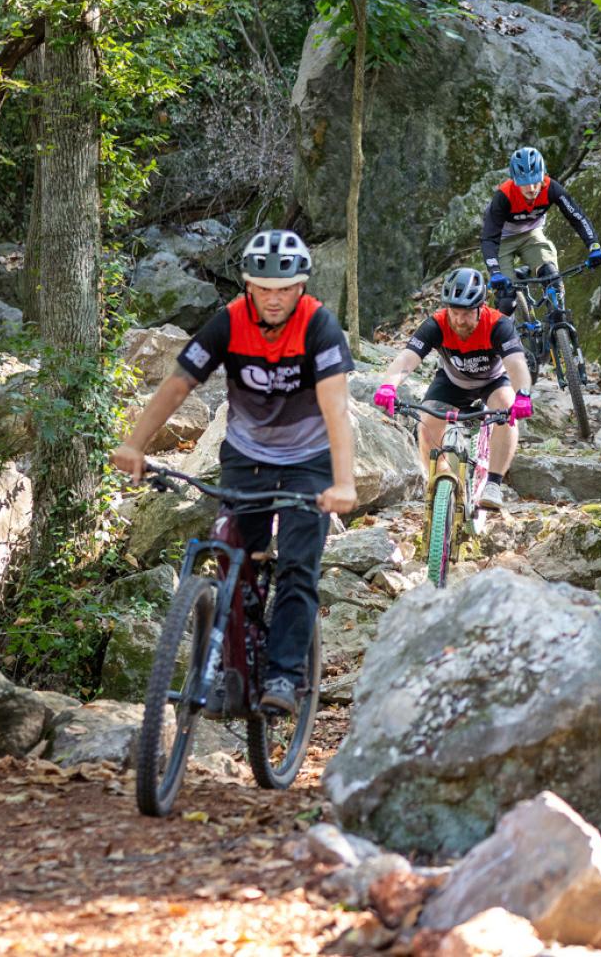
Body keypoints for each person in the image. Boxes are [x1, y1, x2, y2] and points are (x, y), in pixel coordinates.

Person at [111, 230, 358, 716]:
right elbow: (178, 385)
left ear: (301, 288)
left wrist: (344, 482)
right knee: (234, 559)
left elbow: (335, 410)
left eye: (283, 289)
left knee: (297, 568)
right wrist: (134, 444)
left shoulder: (319, 327)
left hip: (310, 460)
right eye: (263, 288)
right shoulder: (226, 323)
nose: (273, 298)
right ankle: (231, 671)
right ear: (247, 285)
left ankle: (286, 674)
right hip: (246, 456)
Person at [370, 267, 534, 511]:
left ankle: (493, 483)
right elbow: (407, 358)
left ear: (480, 308)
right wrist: (388, 385)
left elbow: (516, 364)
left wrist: (522, 395)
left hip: (492, 382)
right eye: (454, 312)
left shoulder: (497, 325)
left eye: (466, 313)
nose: (458, 320)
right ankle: (439, 482)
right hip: (452, 382)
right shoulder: (436, 324)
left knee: (507, 408)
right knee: (426, 423)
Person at [481, 146, 601, 313]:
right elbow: (489, 238)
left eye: (535, 181)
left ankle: (557, 325)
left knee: (552, 277)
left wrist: (594, 245)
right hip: (502, 240)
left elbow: (577, 216)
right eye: (525, 183)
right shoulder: (504, 196)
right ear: (515, 181)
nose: (531, 188)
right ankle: (507, 334)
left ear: (543, 176)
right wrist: (495, 271)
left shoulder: (552, 188)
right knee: (506, 298)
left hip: (531, 235)